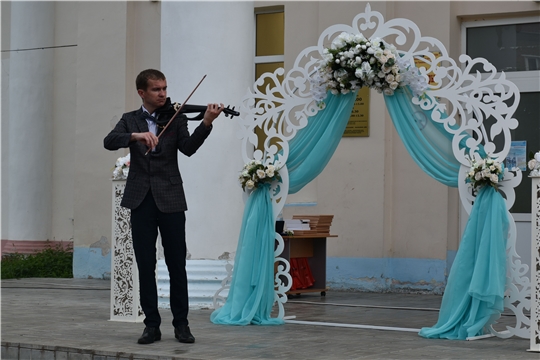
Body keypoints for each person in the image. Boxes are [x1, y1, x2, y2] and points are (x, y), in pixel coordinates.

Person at [104, 69, 223, 345]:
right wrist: (136, 136)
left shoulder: (177, 117)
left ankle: (181, 324)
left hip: (170, 199)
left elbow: (189, 148)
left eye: (165, 88)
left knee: (176, 264)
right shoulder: (129, 120)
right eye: (156, 89)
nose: (163, 94)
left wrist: (206, 122)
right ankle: (151, 326)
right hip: (140, 200)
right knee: (145, 265)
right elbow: (109, 141)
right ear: (142, 93)